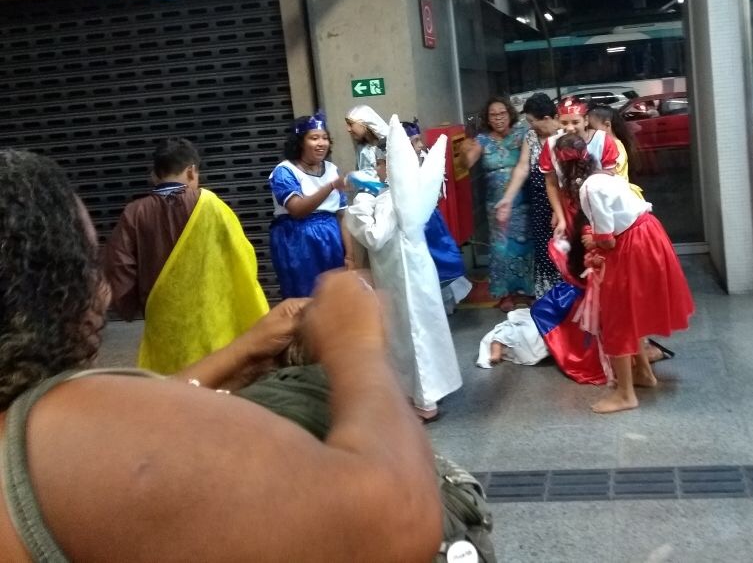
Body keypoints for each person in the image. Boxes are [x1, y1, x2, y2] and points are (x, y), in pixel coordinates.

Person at [0, 149, 443, 562]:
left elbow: (147, 416)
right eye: (88, 261)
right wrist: (355, 343)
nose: (101, 289)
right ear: (49, 284)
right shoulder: (61, 432)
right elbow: (397, 518)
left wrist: (245, 352)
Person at [554, 133, 694, 413]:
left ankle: (625, 394)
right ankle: (643, 373)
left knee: (617, 316)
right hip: (648, 236)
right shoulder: (606, 176)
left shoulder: (588, 190)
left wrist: (593, 245)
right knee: (631, 312)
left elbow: (607, 240)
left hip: (632, 245)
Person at [104, 138, 269, 374]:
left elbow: (119, 265)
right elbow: (241, 255)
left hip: (162, 317)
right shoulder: (212, 205)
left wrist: (130, 306)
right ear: (192, 171)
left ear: (154, 175)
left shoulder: (135, 212)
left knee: (169, 378)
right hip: (208, 314)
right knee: (213, 374)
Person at [346, 117, 463, 422]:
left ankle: (422, 400)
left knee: (408, 333)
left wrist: (360, 204)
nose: (377, 169)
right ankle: (432, 390)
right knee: (426, 325)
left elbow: (374, 236)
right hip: (418, 269)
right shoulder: (415, 193)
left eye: (380, 163)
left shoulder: (388, 200)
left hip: (399, 275)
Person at [268, 112, 352, 297]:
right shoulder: (284, 171)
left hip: (331, 235)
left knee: (334, 295)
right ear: (300, 142)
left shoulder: (332, 170)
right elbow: (297, 210)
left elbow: (342, 215)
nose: (321, 143)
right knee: (304, 295)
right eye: (314, 138)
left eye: (325, 138)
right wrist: (330, 186)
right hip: (297, 239)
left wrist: (350, 255)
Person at [460, 96, 533, 308]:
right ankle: (505, 294)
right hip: (496, 203)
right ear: (487, 118)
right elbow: (467, 163)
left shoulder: (523, 134)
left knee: (526, 244)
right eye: (493, 115)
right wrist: (463, 150)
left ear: (510, 114)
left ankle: (529, 291)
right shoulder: (482, 140)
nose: (498, 118)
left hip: (523, 201)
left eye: (502, 113)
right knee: (501, 248)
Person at [496, 92, 564, 299]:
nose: (530, 125)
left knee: (564, 250)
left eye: (532, 121)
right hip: (539, 204)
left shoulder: (565, 136)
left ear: (547, 118)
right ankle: (549, 299)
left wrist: (559, 210)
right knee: (544, 251)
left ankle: (567, 297)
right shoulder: (531, 136)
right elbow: (522, 168)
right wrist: (507, 198)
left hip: (563, 203)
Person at [402, 118, 473, 312]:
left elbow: (439, 192)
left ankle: (444, 305)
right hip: (414, 225)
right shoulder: (399, 169)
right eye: (414, 141)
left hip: (431, 222)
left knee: (441, 261)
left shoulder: (425, 160)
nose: (420, 145)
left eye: (420, 140)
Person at [538, 96, 620, 240]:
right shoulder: (551, 145)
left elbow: (612, 175)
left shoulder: (602, 140)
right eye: (564, 122)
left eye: (575, 122)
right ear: (557, 120)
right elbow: (551, 184)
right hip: (569, 205)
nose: (570, 128)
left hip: (599, 203)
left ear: (586, 120)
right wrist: (560, 216)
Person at [588, 105, 644, 199]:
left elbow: (611, 174)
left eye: (591, 128)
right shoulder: (612, 144)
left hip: (619, 197)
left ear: (607, 125)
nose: (589, 132)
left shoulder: (615, 147)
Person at [345, 104, 389, 173]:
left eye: (350, 124)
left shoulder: (388, 146)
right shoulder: (362, 149)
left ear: (364, 123)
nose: (348, 129)